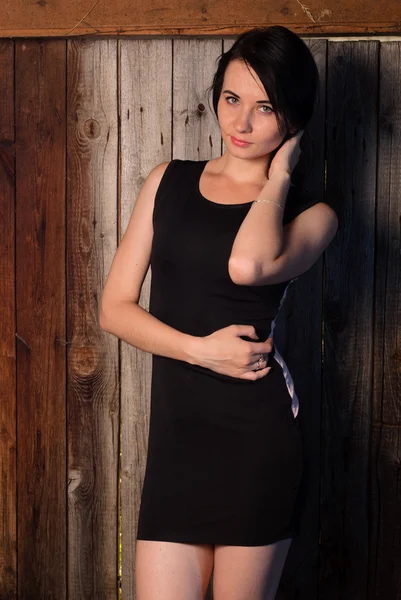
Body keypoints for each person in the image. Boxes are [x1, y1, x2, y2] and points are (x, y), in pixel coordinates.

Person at [100, 25, 338, 600]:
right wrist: (201, 350)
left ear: (293, 120)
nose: (241, 123)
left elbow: (249, 267)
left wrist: (277, 176)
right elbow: (114, 308)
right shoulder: (168, 181)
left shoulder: (314, 215)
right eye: (232, 100)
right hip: (178, 447)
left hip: (255, 444)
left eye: (265, 108)